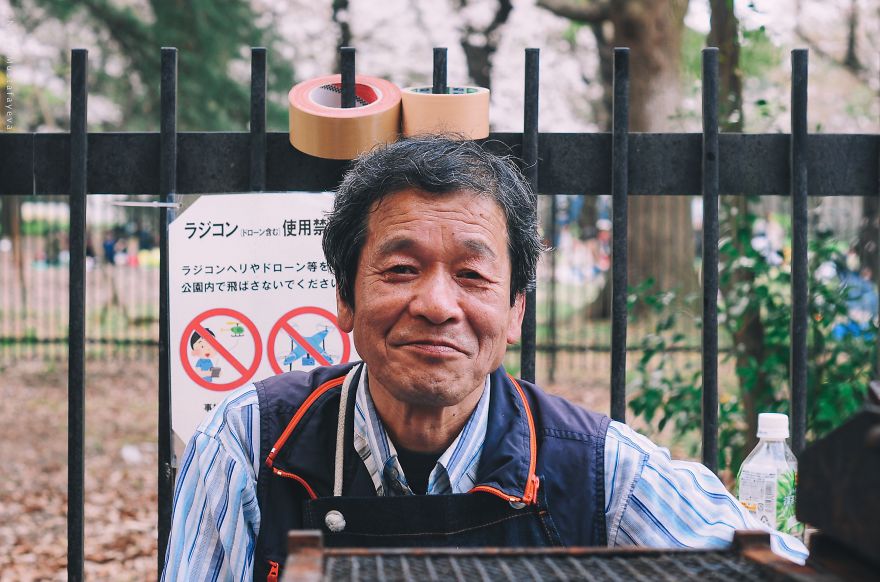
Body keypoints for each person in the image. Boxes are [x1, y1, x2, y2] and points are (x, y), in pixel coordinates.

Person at [162, 136, 807, 581]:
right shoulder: (251, 441)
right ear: (345, 300)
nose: (437, 304)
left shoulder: (595, 468)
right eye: (401, 268)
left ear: (516, 311)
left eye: (472, 275)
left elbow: (775, 567)